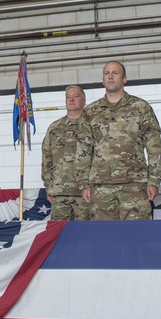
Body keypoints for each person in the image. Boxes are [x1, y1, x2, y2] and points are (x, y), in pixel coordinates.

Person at [82, 61, 161, 220]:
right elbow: (83, 151)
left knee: (137, 237)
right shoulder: (90, 112)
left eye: (115, 73)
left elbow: (154, 147)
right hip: (101, 189)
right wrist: (84, 184)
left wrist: (154, 181)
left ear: (124, 78)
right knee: (104, 239)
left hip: (134, 187)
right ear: (103, 79)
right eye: (107, 73)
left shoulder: (140, 107)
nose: (110, 76)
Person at [40, 85, 94, 220]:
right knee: (59, 235)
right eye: (68, 97)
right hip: (60, 193)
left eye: (75, 96)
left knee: (85, 235)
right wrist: (48, 186)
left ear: (84, 100)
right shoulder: (54, 128)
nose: (71, 99)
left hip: (85, 193)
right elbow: (47, 158)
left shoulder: (93, 126)